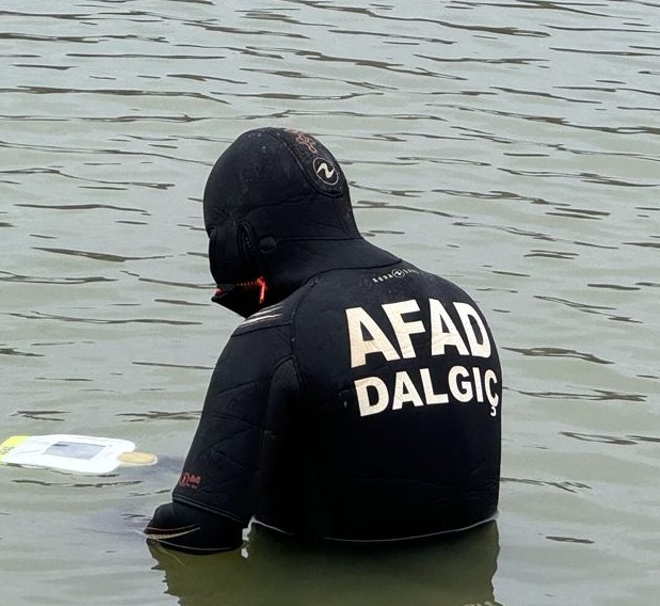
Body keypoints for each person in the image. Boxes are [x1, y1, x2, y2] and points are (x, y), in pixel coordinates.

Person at [144, 127, 502, 553]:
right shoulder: (459, 305)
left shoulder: (274, 334)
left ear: (240, 238)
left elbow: (193, 533)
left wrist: (103, 523)